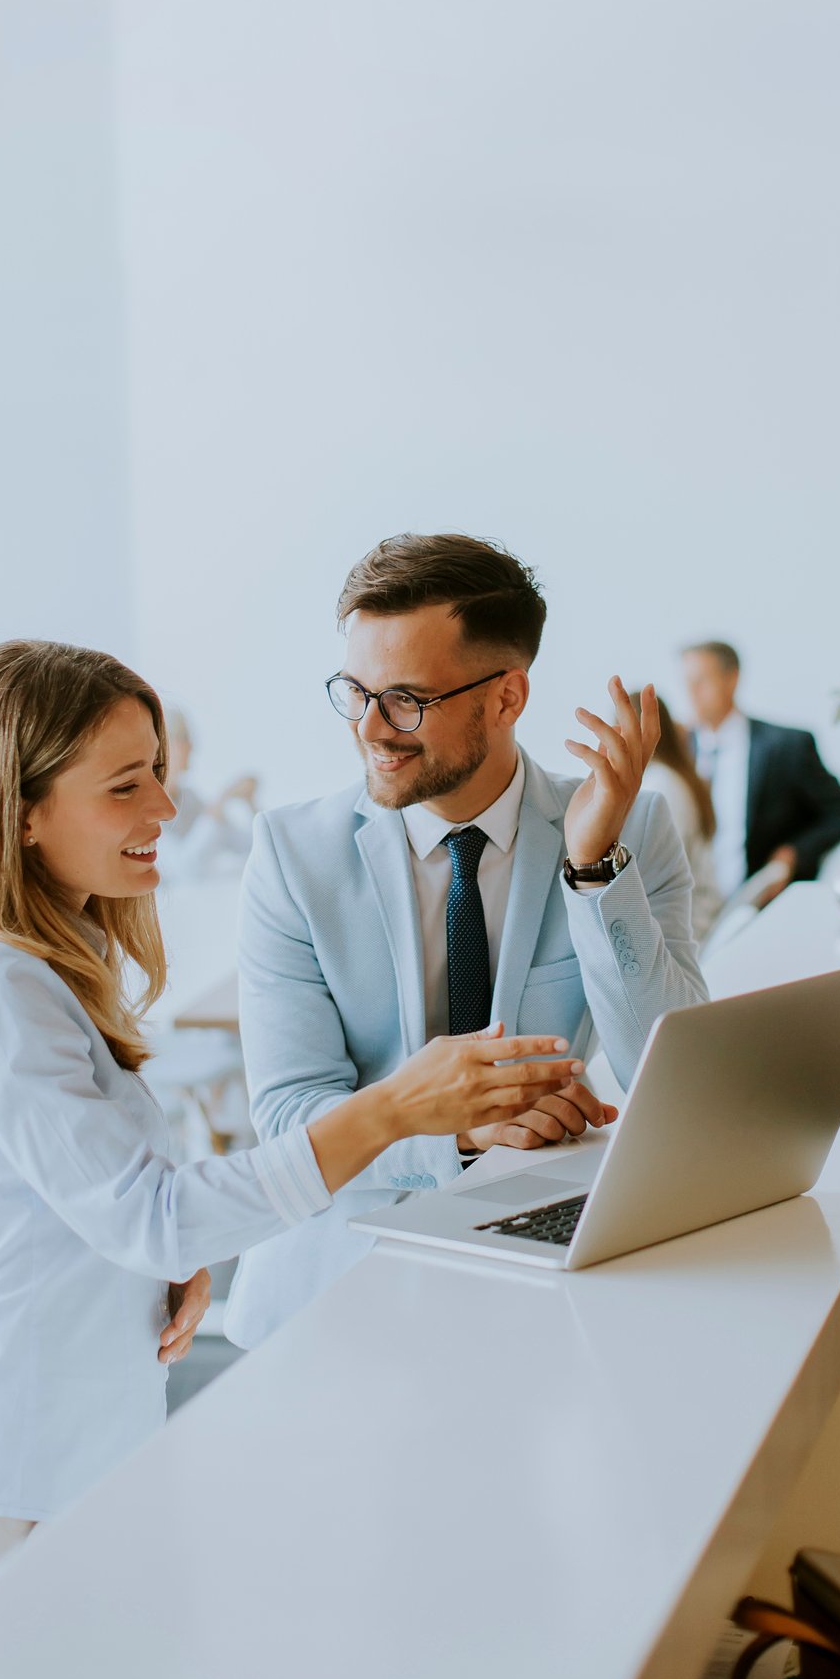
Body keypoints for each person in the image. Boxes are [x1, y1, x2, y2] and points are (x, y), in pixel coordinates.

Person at [0, 640, 579, 1624]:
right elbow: (153, 1214)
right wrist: (388, 1110)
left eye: (160, 774)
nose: (165, 810)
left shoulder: (49, 969)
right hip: (1, 1481)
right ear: (22, 811)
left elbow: (105, 1212)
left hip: (67, 1468)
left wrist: (155, 1266)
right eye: (125, 787)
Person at [225, 535, 709, 1349]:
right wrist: (458, 1126)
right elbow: (286, 1116)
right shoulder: (290, 855)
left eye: (408, 697)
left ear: (507, 697)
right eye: (356, 690)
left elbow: (672, 1081)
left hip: (537, 1289)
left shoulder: (630, 828)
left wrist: (592, 870)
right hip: (331, 1298)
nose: (372, 727)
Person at [681, 641, 840, 908]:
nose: (692, 692)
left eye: (702, 680)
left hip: (758, 905)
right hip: (689, 909)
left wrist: (793, 854)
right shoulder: (678, 750)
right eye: (687, 682)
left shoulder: (787, 747)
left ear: (732, 679)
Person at [642, 694, 722, 943]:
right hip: (694, 916)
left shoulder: (661, 785)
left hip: (689, 927)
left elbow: (663, 873)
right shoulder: (671, 778)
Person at [157, 704, 259, 876]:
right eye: (183, 737)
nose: (192, 746)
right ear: (163, 745)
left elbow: (250, 846)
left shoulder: (190, 798)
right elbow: (184, 870)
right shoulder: (149, 808)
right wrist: (221, 800)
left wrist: (250, 802)